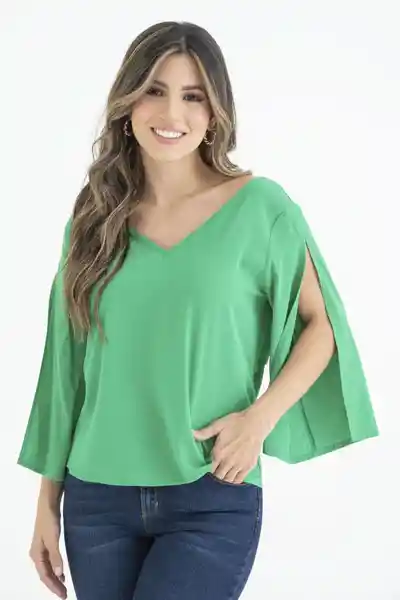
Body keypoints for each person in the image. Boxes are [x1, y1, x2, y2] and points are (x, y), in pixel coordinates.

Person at [17, 20, 379, 600]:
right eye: (155, 91)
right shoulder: (93, 219)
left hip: (211, 490)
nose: (172, 113)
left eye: (193, 96)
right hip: (96, 501)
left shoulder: (261, 208)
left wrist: (259, 420)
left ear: (215, 113)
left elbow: (321, 324)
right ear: (127, 103)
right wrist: (45, 501)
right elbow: (65, 368)